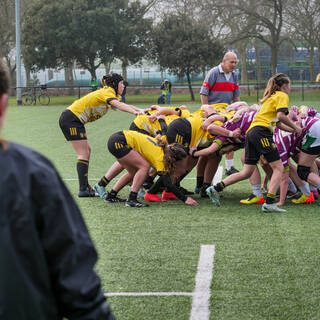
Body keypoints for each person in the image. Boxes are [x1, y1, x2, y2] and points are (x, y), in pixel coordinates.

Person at [0, 59, 115, 319]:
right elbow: (77, 283)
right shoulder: (34, 174)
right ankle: (85, 187)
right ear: (3, 105)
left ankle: (86, 186)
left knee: (84, 151)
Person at [206, 73, 302, 213]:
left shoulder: (271, 97)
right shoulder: (282, 96)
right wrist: (296, 127)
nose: (290, 88)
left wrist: (293, 130)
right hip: (261, 133)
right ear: (285, 85)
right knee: (279, 168)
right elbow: (281, 116)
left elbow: (278, 123)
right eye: (290, 85)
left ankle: (215, 188)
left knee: (247, 171)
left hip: (252, 133)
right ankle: (269, 203)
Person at [59, 73, 143, 198]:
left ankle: (85, 187)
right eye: (121, 83)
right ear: (114, 84)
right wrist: (136, 113)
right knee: (83, 153)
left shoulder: (110, 93)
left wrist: (141, 110)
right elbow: (119, 105)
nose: (123, 86)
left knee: (87, 150)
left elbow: (124, 105)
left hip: (74, 120)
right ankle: (83, 189)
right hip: (71, 119)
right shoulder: (107, 92)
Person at [106, 130, 198, 207]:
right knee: (144, 167)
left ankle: (111, 195)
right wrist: (185, 199)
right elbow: (168, 184)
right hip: (120, 142)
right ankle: (132, 199)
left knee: (133, 172)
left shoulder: (164, 148)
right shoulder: (160, 158)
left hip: (118, 138)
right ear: (173, 158)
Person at [200, 51, 241, 178]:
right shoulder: (213, 72)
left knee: (230, 139)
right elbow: (204, 93)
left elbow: (236, 96)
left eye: (235, 62)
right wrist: (208, 112)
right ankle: (203, 176)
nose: (234, 65)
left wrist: (237, 111)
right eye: (231, 62)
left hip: (226, 112)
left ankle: (229, 167)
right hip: (213, 113)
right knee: (211, 144)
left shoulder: (234, 75)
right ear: (224, 61)